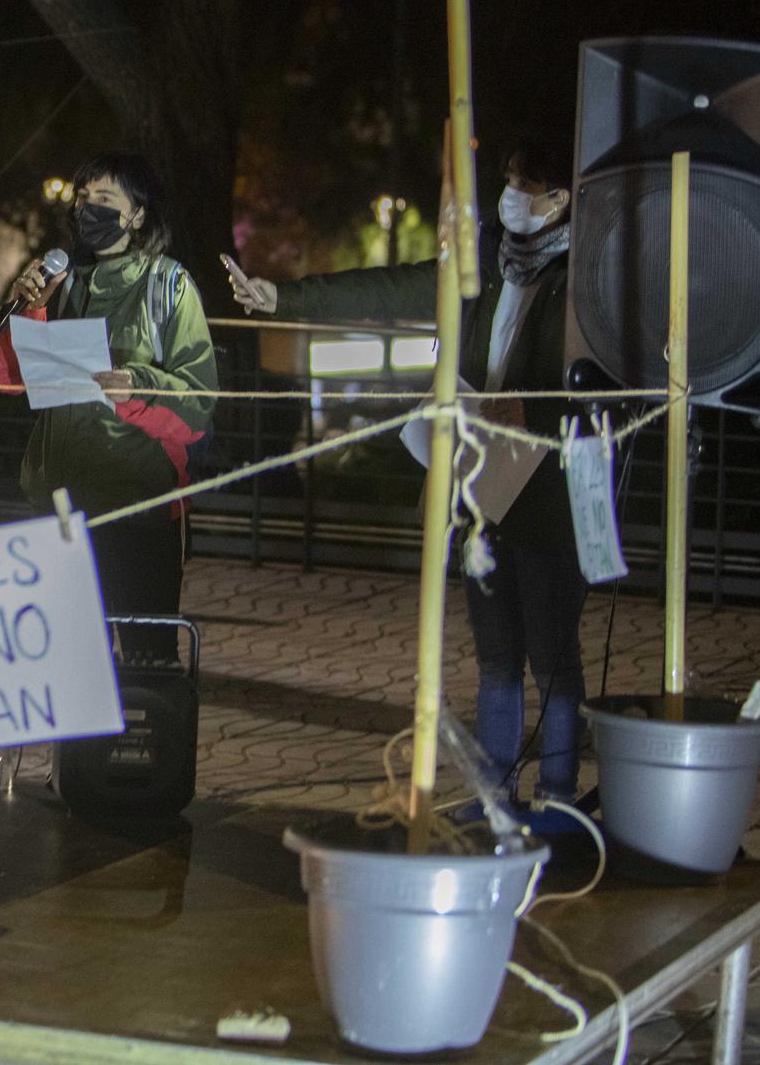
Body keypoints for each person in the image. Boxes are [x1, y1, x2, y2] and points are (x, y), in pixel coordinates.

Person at [227, 138, 586, 823]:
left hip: (548, 492)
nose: (511, 194)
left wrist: (532, 407)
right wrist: (284, 296)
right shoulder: (484, 258)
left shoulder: (585, 277)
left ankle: (561, 800)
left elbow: (604, 382)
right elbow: (392, 285)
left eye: (526, 184)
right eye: (508, 179)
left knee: (554, 653)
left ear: (561, 199)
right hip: (482, 482)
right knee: (498, 654)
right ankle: (494, 793)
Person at [0, 152, 217, 666]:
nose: (88, 209)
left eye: (104, 200)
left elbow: (197, 403)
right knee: (69, 663)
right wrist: (30, 308)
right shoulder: (62, 282)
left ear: (137, 215)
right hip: (59, 505)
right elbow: (4, 382)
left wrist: (136, 387)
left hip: (139, 507)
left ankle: (144, 740)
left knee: (146, 662)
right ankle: (78, 748)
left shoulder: (169, 287)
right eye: (83, 199)